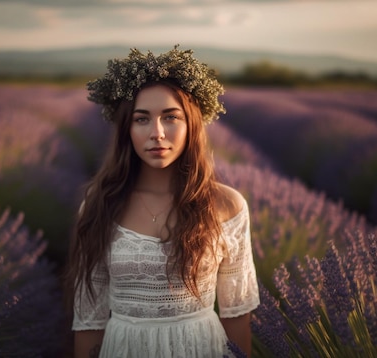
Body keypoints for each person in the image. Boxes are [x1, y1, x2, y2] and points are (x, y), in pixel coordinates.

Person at [69, 46, 259, 358]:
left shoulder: (227, 206)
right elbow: (89, 321)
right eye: (142, 119)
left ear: (191, 124)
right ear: (126, 130)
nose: (157, 133)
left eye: (170, 117)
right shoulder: (100, 203)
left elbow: (237, 316)